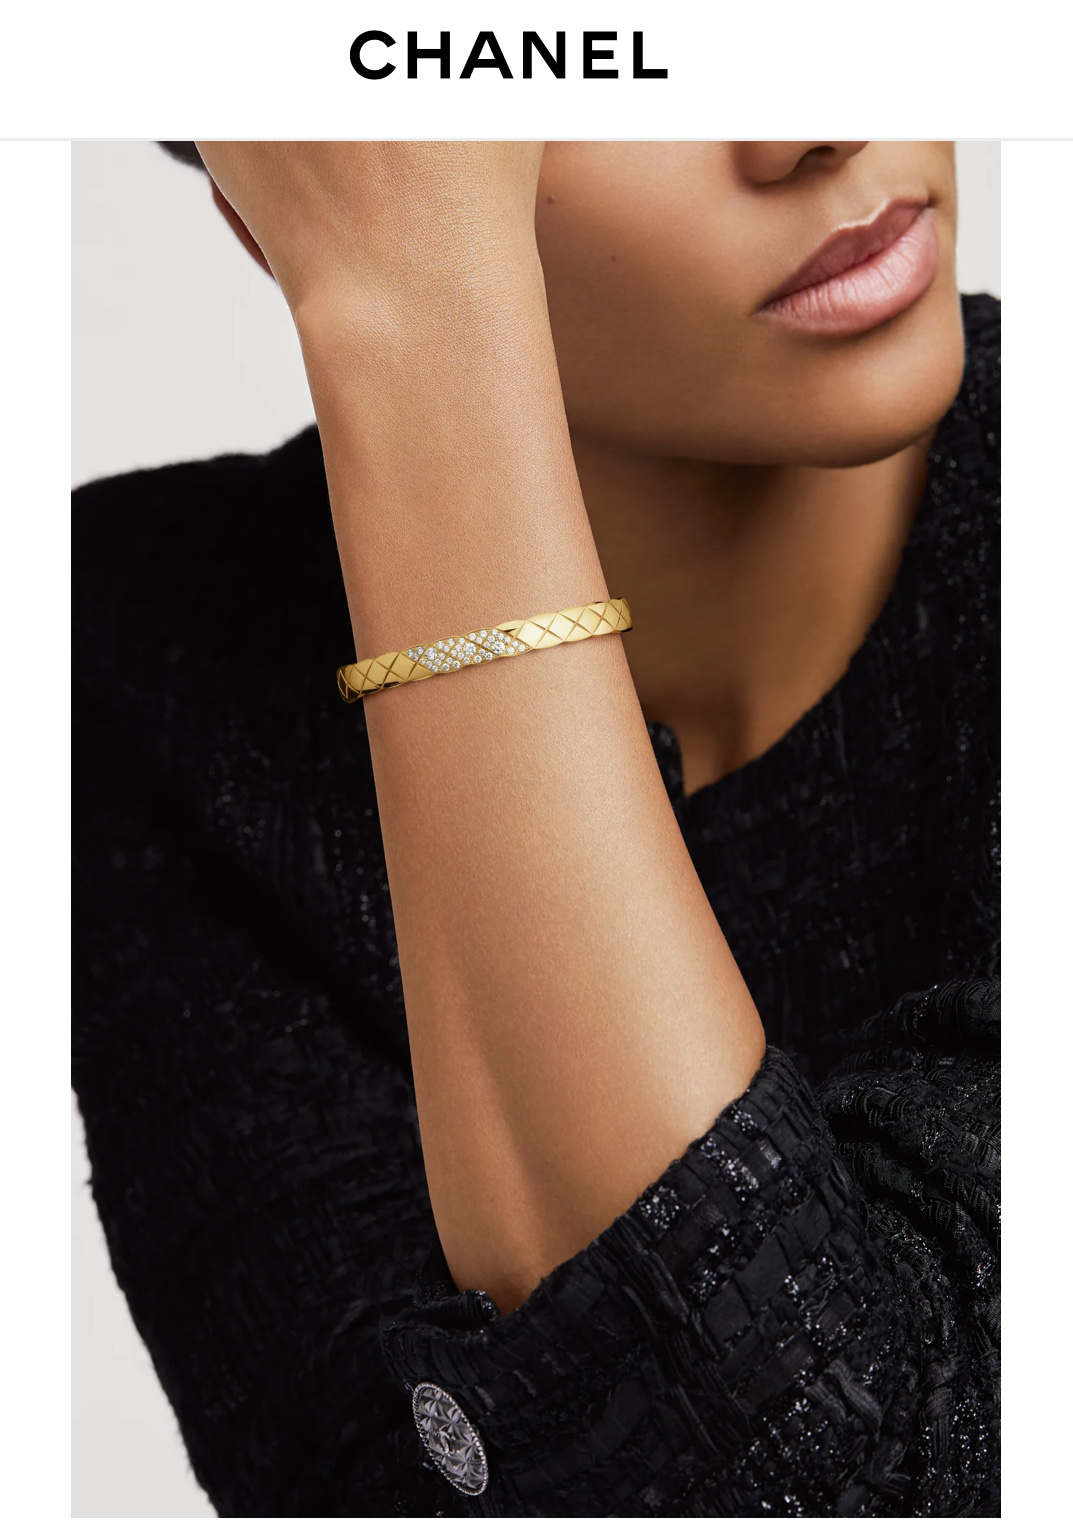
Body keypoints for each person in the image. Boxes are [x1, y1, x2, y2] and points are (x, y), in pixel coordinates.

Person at [72, 141, 999, 1516]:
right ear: (297, 185)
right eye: (593, 69)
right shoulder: (139, 677)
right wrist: (407, 315)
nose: (815, 121)